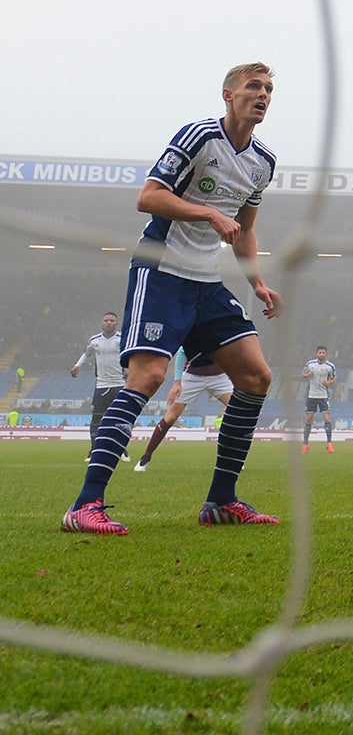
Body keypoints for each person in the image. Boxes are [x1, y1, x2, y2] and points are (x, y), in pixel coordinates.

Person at [60, 62, 283, 535]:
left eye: (267, 89)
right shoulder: (200, 136)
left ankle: (221, 501)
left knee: (256, 375)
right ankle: (84, 505)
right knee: (150, 376)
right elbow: (149, 197)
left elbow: (246, 227)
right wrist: (207, 213)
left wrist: (257, 280)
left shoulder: (263, 161)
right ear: (228, 94)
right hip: (160, 271)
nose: (262, 95)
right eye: (253, 87)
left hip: (206, 283)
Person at [132, 348, 236, 472]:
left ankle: (233, 459)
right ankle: (145, 458)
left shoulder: (221, 332)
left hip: (219, 377)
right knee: (170, 417)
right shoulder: (193, 332)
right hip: (192, 377)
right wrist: (177, 382)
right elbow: (182, 352)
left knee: (237, 411)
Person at [70, 313, 122, 441]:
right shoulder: (95, 340)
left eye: (111, 320)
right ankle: (93, 448)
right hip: (102, 385)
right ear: (102, 323)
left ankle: (121, 449)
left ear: (116, 323)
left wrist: (128, 369)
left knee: (120, 418)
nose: (108, 322)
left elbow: (131, 354)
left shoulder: (123, 338)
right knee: (96, 418)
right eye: (106, 320)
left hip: (120, 383)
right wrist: (77, 366)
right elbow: (86, 354)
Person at [301, 345, 338, 453]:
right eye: (320, 352)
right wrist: (307, 375)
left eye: (323, 353)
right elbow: (303, 374)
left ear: (326, 354)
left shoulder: (330, 366)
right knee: (309, 418)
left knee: (326, 417)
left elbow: (334, 378)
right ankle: (305, 444)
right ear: (316, 353)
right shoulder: (310, 364)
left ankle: (329, 443)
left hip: (323, 396)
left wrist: (328, 382)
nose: (321, 354)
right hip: (311, 395)